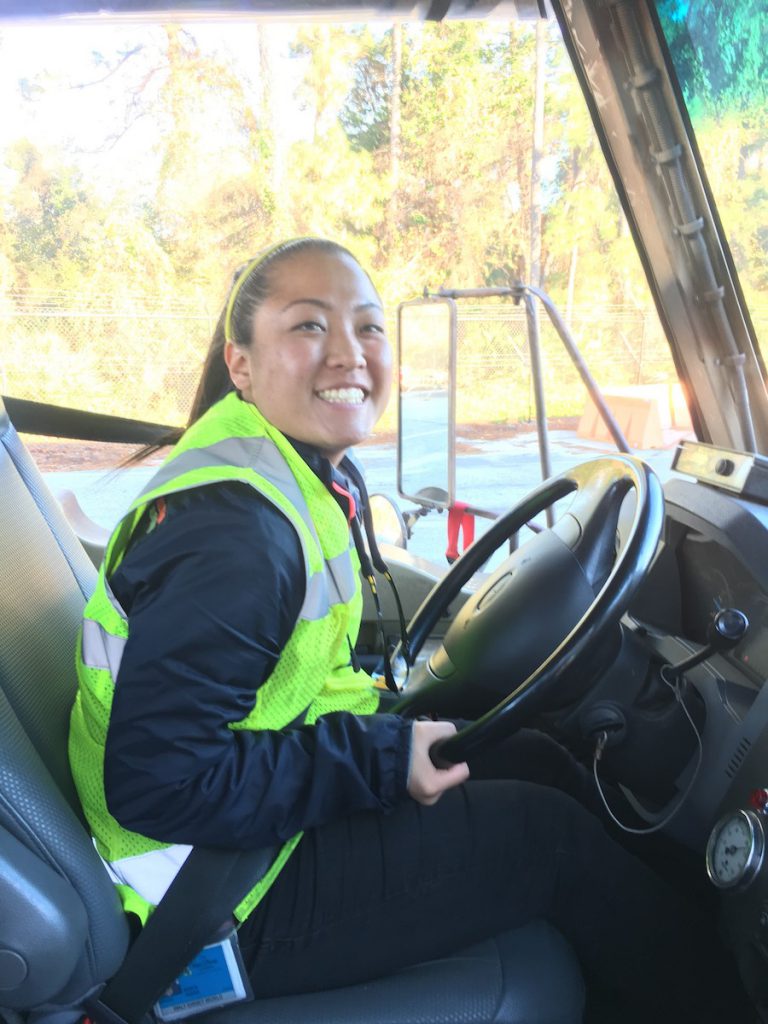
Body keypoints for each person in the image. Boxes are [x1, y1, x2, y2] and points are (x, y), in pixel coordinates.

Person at [69, 237, 748, 1023]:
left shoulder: (283, 472)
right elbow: (160, 781)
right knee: (548, 841)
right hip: (214, 892)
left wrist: (384, 746)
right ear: (242, 363)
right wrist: (384, 760)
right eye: (308, 327)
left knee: (535, 756)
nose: (348, 354)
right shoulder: (237, 536)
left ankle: (694, 938)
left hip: (246, 832)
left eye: (367, 327)